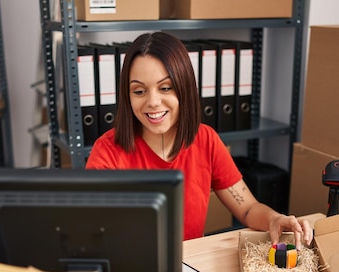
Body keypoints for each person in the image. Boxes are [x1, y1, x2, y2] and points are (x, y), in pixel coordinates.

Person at [85, 32, 312, 249]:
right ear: (127, 96)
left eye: (165, 88)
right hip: (131, 270)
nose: (153, 102)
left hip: (189, 268)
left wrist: (274, 219)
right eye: (139, 91)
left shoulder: (206, 140)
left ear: (184, 88)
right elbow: (91, 228)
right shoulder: (107, 150)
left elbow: (248, 208)